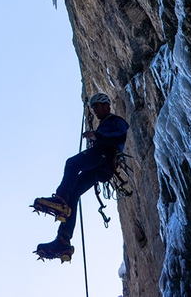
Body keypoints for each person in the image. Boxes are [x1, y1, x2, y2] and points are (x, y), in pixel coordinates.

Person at [33, 92, 129, 261]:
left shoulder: (115, 121)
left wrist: (97, 136)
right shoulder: (104, 125)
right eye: (93, 109)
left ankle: (60, 200)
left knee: (72, 163)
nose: (95, 111)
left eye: (97, 107)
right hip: (103, 166)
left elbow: (120, 136)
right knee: (75, 193)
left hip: (104, 156)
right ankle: (63, 240)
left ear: (106, 105)